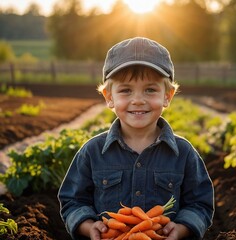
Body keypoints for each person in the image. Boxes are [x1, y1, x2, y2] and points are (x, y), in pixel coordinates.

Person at [58, 37, 214, 240]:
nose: (138, 100)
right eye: (125, 90)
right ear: (109, 97)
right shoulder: (92, 152)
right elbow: (72, 200)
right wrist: (89, 227)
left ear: (168, 96)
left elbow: (200, 204)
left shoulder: (184, 153)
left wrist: (182, 228)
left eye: (150, 90)